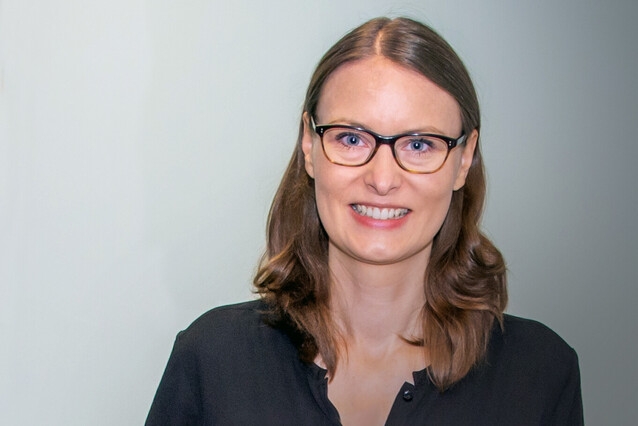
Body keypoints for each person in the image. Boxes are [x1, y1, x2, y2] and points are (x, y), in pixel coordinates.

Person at [145, 17, 583, 425]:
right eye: (352, 138)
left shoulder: (541, 373)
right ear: (309, 146)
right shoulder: (211, 359)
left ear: (464, 159)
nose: (382, 179)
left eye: (419, 145)